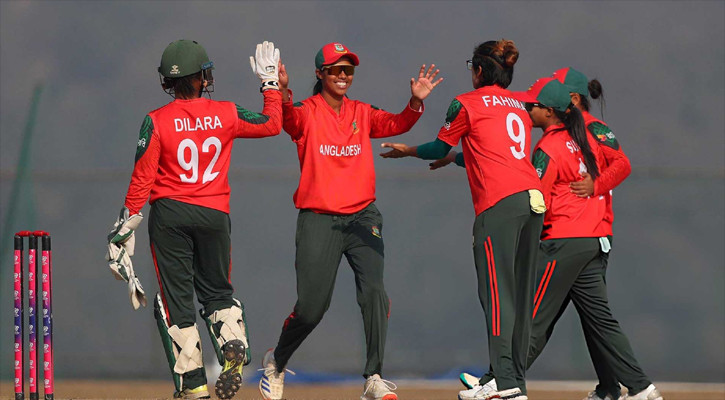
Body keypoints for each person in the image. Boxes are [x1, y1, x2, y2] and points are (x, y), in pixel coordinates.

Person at [459, 72, 662, 400]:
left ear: (566, 103)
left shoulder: (568, 139)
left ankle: (501, 381)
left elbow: (538, 196)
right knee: (599, 321)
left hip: (564, 240)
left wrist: (594, 186)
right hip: (593, 239)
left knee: (531, 317)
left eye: (533, 105)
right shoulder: (578, 138)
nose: (527, 109)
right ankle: (635, 388)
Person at [257, 42, 442, 400]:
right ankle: (276, 361)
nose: (343, 75)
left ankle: (374, 376)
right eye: (336, 69)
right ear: (320, 74)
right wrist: (281, 91)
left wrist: (415, 102)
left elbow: (397, 123)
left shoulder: (362, 111)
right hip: (319, 218)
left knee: (374, 293)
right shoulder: (306, 111)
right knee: (311, 309)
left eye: (349, 69)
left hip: (362, 217)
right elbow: (287, 120)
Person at [105, 39, 283, 400]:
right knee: (218, 294)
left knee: (176, 303)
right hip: (214, 214)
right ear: (202, 77)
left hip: (170, 215)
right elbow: (271, 124)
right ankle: (231, 345)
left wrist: (125, 226)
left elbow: (142, 178)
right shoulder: (227, 112)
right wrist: (270, 84)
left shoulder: (155, 120)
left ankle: (194, 385)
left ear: (168, 82)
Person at [380, 39, 545, 400]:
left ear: (479, 70)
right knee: (519, 297)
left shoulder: (466, 102)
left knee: (497, 296)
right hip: (532, 200)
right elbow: (494, 151)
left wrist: (409, 150)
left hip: (499, 205)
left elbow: (439, 146)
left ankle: (504, 384)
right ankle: (512, 382)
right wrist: (456, 159)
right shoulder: (518, 105)